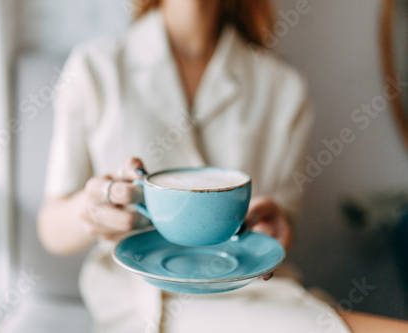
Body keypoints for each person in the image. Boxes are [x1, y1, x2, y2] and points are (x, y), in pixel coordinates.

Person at [37, 0, 408, 332]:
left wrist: (275, 225)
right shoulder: (94, 68)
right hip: (140, 297)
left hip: (248, 291)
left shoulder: (282, 88)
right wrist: (91, 210)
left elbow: (277, 229)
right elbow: (51, 227)